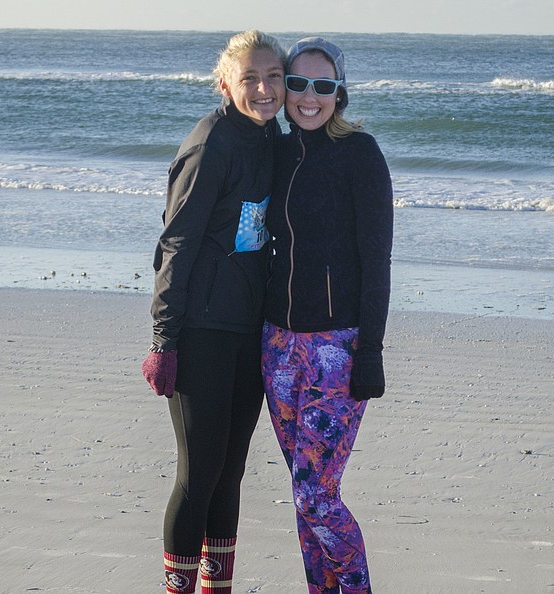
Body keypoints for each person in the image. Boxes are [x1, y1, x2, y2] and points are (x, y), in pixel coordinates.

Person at [140, 30, 286, 594]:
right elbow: (176, 243)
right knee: (199, 474)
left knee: (230, 474)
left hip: (249, 330)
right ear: (226, 83)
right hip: (201, 330)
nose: (264, 88)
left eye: (273, 76)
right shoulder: (211, 145)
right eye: (250, 78)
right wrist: (163, 341)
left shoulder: (270, 139)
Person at [261, 37, 394, 593]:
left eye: (322, 85)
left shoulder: (360, 153)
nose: (308, 97)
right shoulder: (276, 151)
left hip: (337, 348)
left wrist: (371, 353)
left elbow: (377, 260)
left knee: (318, 493)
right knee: (302, 492)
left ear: (340, 92)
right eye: (298, 84)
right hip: (277, 346)